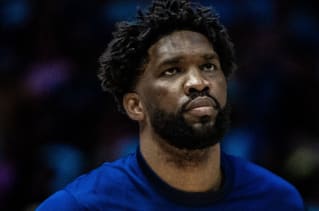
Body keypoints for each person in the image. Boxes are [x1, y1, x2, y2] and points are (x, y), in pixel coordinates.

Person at [37, 0, 304, 210]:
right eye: (172, 70)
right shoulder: (80, 205)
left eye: (208, 66)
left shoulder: (277, 200)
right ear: (135, 105)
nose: (198, 82)